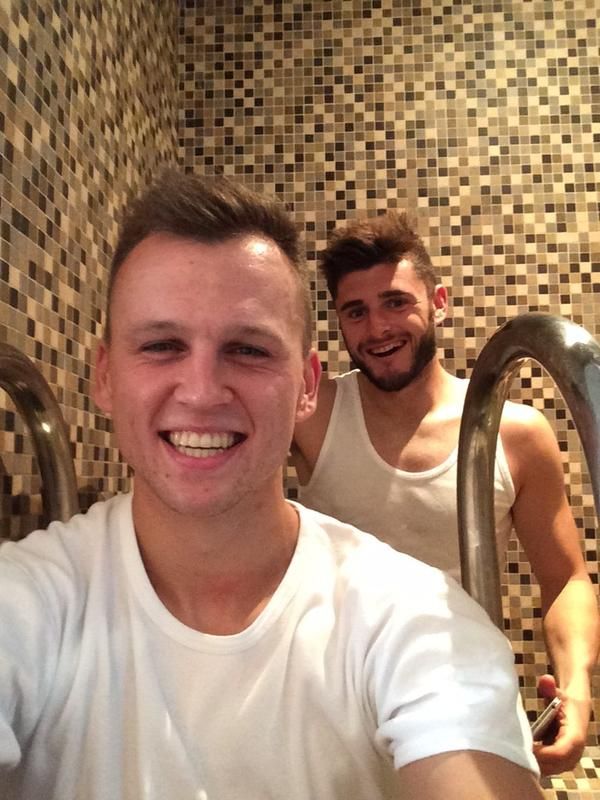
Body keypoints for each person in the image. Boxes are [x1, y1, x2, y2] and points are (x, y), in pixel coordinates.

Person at [0, 172, 545, 800]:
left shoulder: (413, 619)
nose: (201, 392)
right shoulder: (28, 600)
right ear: (105, 376)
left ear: (307, 386)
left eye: (249, 350)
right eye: (162, 345)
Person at [291, 210, 600, 778]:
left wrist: (576, 688)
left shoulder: (514, 433)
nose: (377, 328)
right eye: (356, 311)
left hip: (464, 700)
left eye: (395, 302)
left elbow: (565, 579)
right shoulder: (312, 418)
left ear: (438, 302)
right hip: (337, 705)